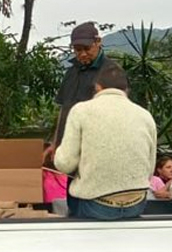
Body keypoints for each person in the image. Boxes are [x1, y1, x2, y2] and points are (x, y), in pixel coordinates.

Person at [53, 66, 157, 220]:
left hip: (95, 205)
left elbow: (65, 164)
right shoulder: (145, 115)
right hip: (136, 203)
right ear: (126, 90)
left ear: (97, 87)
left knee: (74, 195)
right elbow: (150, 169)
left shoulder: (81, 111)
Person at [49, 21, 124, 153]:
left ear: (98, 42)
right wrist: (55, 143)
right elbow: (63, 109)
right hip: (68, 146)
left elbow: (119, 114)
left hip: (96, 147)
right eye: (78, 50)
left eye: (87, 48)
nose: (83, 54)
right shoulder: (71, 72)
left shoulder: (112, 72)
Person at [42, 143, 70, 216]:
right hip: (50, 208)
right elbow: (36, 166)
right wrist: (47, 152)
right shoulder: (45, 173)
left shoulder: (68, 173)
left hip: (66, 208)